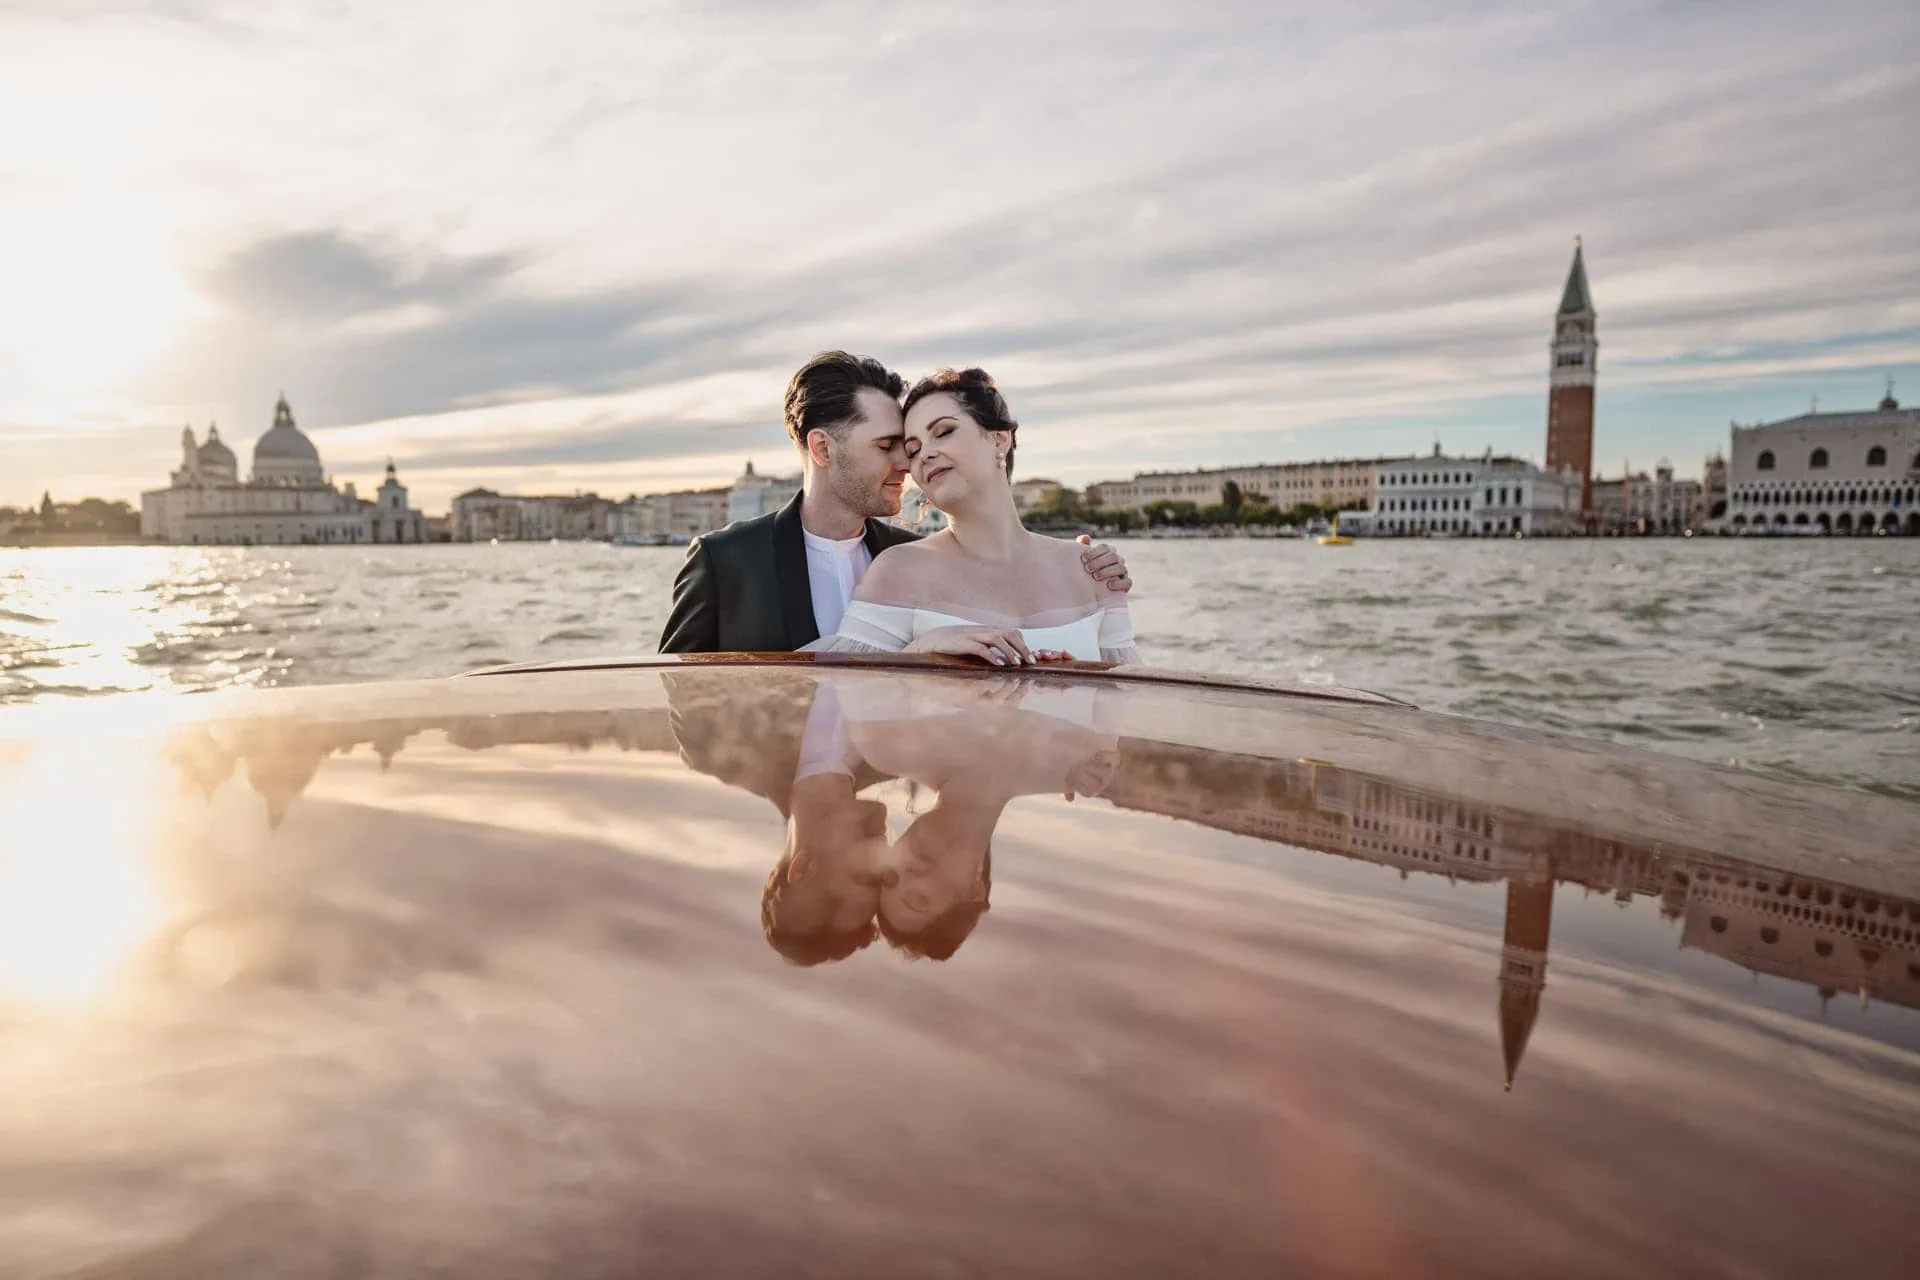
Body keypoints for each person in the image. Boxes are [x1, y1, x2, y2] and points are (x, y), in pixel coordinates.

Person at [658, 351, 1131, 654]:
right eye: (890, 447)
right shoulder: (725, 560)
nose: (910, 465)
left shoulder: (902, 553)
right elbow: (672, 696)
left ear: (999, 441)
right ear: (823, 449)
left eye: (913, 447)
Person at [809, 368, 1140, 665]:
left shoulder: (1092, 572)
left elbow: (1130, 709)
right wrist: (923, 651)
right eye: (913, 449)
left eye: (943, 431)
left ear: (999, 439)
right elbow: (836, 696)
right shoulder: (899, 570)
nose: (925, 454)